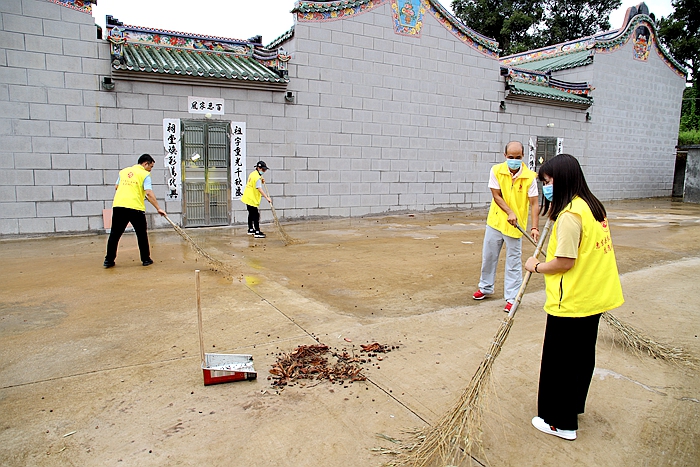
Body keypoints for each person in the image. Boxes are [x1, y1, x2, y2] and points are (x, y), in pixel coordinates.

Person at [524, 153, 624, 441]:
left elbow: (564, 262)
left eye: (547, 181)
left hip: (572, 301)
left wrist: (537, 266)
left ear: (563, 179)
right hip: (594, 297)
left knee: (560, 363)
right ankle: (572, 408)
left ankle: (560, 422)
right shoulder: (592, 207)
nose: (545, 187)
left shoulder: (570, 217)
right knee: (580, 359)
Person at [473, 141, 540, 312]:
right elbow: (496, 195)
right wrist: (509, 212)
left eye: (518, 157)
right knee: (489, 256)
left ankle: (512, 298)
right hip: (495, 222)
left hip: (516, 227)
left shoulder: (530, 177)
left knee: (513, 262)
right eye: (511, 157)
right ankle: (486, 287)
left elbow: (534, 204)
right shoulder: (496, 171)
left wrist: (534, 227)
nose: (514, 160)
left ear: (522, 157)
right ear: (505, 156)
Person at [104, 154, 166, 268]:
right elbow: (148, 193)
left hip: (119, 206)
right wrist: (158, 208)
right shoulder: (145, 174)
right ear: (145, 164)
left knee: (114, 234)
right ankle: (146, 259)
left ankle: (108, 260)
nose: (151, 169)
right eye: (151, 166)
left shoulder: (123, 172)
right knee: (141, 234)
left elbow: (116, 186)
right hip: (135, 208)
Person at [240, 160, 272, 238]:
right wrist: (267, 198)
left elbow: (254, 182)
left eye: (265, 170)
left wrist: (261, 180)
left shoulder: (253, 174)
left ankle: (250, 229)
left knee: (251, 214)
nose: (264, 171)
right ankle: (257, 231)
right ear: (258, 168)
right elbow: (259, 189)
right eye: (263, 170)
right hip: (252, 199)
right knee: (256, 215)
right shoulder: (257, 177)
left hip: (247, 197)